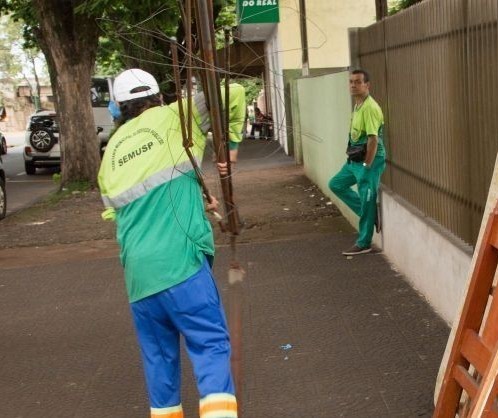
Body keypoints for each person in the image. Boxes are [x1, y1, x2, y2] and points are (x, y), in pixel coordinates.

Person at [98, 68, 245, 418]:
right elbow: (234, 90)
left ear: (119, 108)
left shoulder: (110, 154)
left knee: (159, 362)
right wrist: (232, 146)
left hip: (139, 278)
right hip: (181, 265)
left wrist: (193, 194)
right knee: (210, 346)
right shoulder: (178, 117)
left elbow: (120, 215)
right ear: (157, 96)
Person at [328, 69, 386, 256]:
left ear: (367, 85)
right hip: (355, 159)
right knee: (336, 184)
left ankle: (364, 242)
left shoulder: (370, 107)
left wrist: (367, 165)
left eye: (358, 82)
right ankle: (368, 214)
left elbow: (373, 139)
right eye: (351, 82)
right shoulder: (358, 104)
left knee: (367, 196)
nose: (353, 85)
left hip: (369, 160)